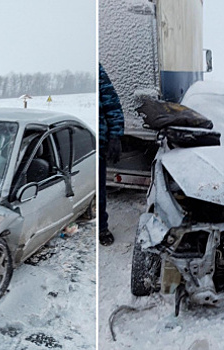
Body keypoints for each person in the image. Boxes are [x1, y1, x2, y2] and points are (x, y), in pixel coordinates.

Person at [99, 63, 124, 246]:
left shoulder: (95, 70)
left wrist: (115, 136)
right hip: (71, 141)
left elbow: (111, 102)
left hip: (96, 142)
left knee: (99, 190)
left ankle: (101, 228)